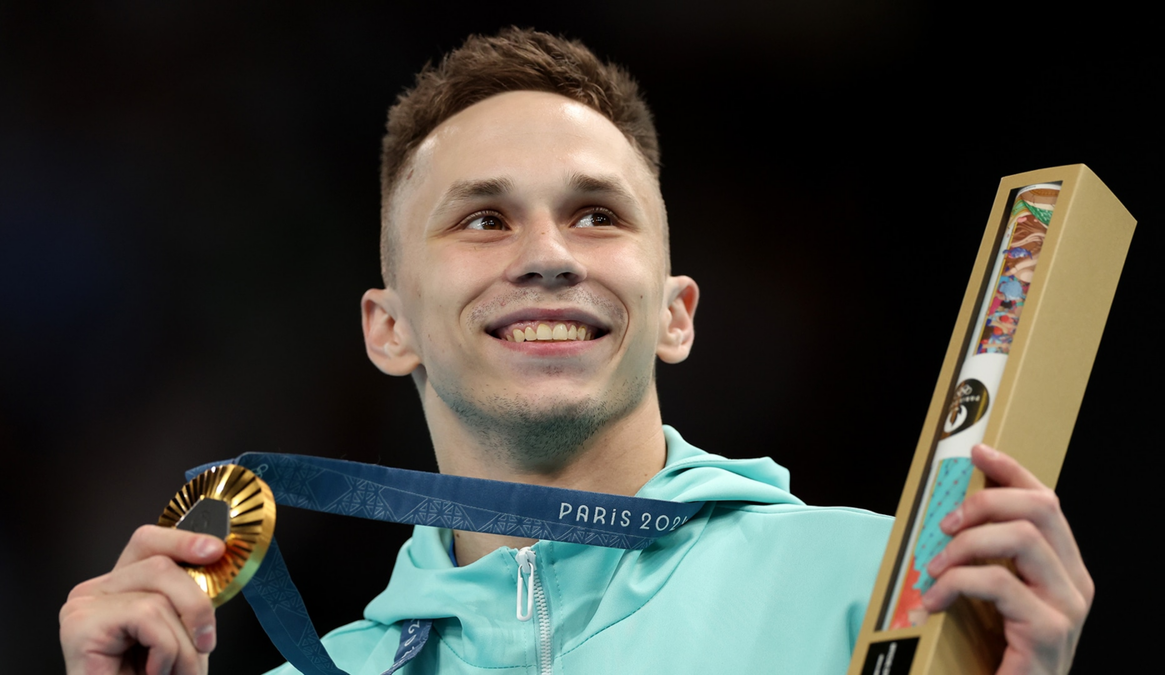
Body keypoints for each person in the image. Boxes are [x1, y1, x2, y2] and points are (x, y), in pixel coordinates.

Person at [59, 28, 1093, 675]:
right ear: (390, 328)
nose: (549, 256)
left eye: (597, 215)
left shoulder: (887, 593)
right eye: (482, 221)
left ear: (678, 313)